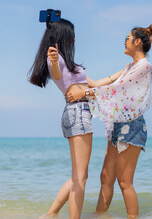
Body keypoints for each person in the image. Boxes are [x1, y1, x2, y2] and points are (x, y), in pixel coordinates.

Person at [67, 24, 152, 218]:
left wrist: (84, 93)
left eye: (128, 37)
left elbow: (116, 89)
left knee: (124, 182)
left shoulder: (144, 66)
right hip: (117, 126)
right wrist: (72, 68)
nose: (125, 41)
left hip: (132, 126)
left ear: (137, 41)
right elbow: (103, 83)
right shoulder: (130, 67)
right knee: (106, 177)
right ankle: (98, 215)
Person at [28, 18, 93, 219]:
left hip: (74, 113)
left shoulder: (71, 65)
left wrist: (124, 74)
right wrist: (54, 61)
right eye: (72, 34)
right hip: (78, 114)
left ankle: (51, 214)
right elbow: (55, 71)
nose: (75, 38)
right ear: (65, 37)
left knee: (78, 176)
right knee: (80, 178)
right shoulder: (56, 60)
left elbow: (97, 85)